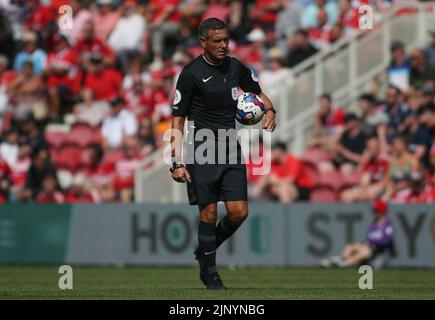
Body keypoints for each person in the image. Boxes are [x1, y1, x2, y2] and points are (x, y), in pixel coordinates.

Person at [169, 18, 276, 290]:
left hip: (229, 146)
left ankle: (206, 249)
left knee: (239, 212)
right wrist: (176, 161)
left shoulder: (235, 66)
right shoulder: (191, 74)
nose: (223, 45)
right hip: (202, 149)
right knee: (208, 214)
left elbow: (258, 93)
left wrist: (271, 110)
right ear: (203, 42)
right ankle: (210, 273)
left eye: (226, 40)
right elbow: (177, 121)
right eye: (217, 41)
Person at [320, 199, 395, 268]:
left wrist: (371, 243)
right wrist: (364, 243)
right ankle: (339, 259)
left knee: (364, 252)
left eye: (376, 210)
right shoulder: (373, 224)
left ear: (382, 212)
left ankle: (343, 264)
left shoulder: (387, 225)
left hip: (377, 252)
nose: (374, 212)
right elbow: (369, 238)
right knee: (349, 246)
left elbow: (387, 240)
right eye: (374, 210)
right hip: (369, 247)